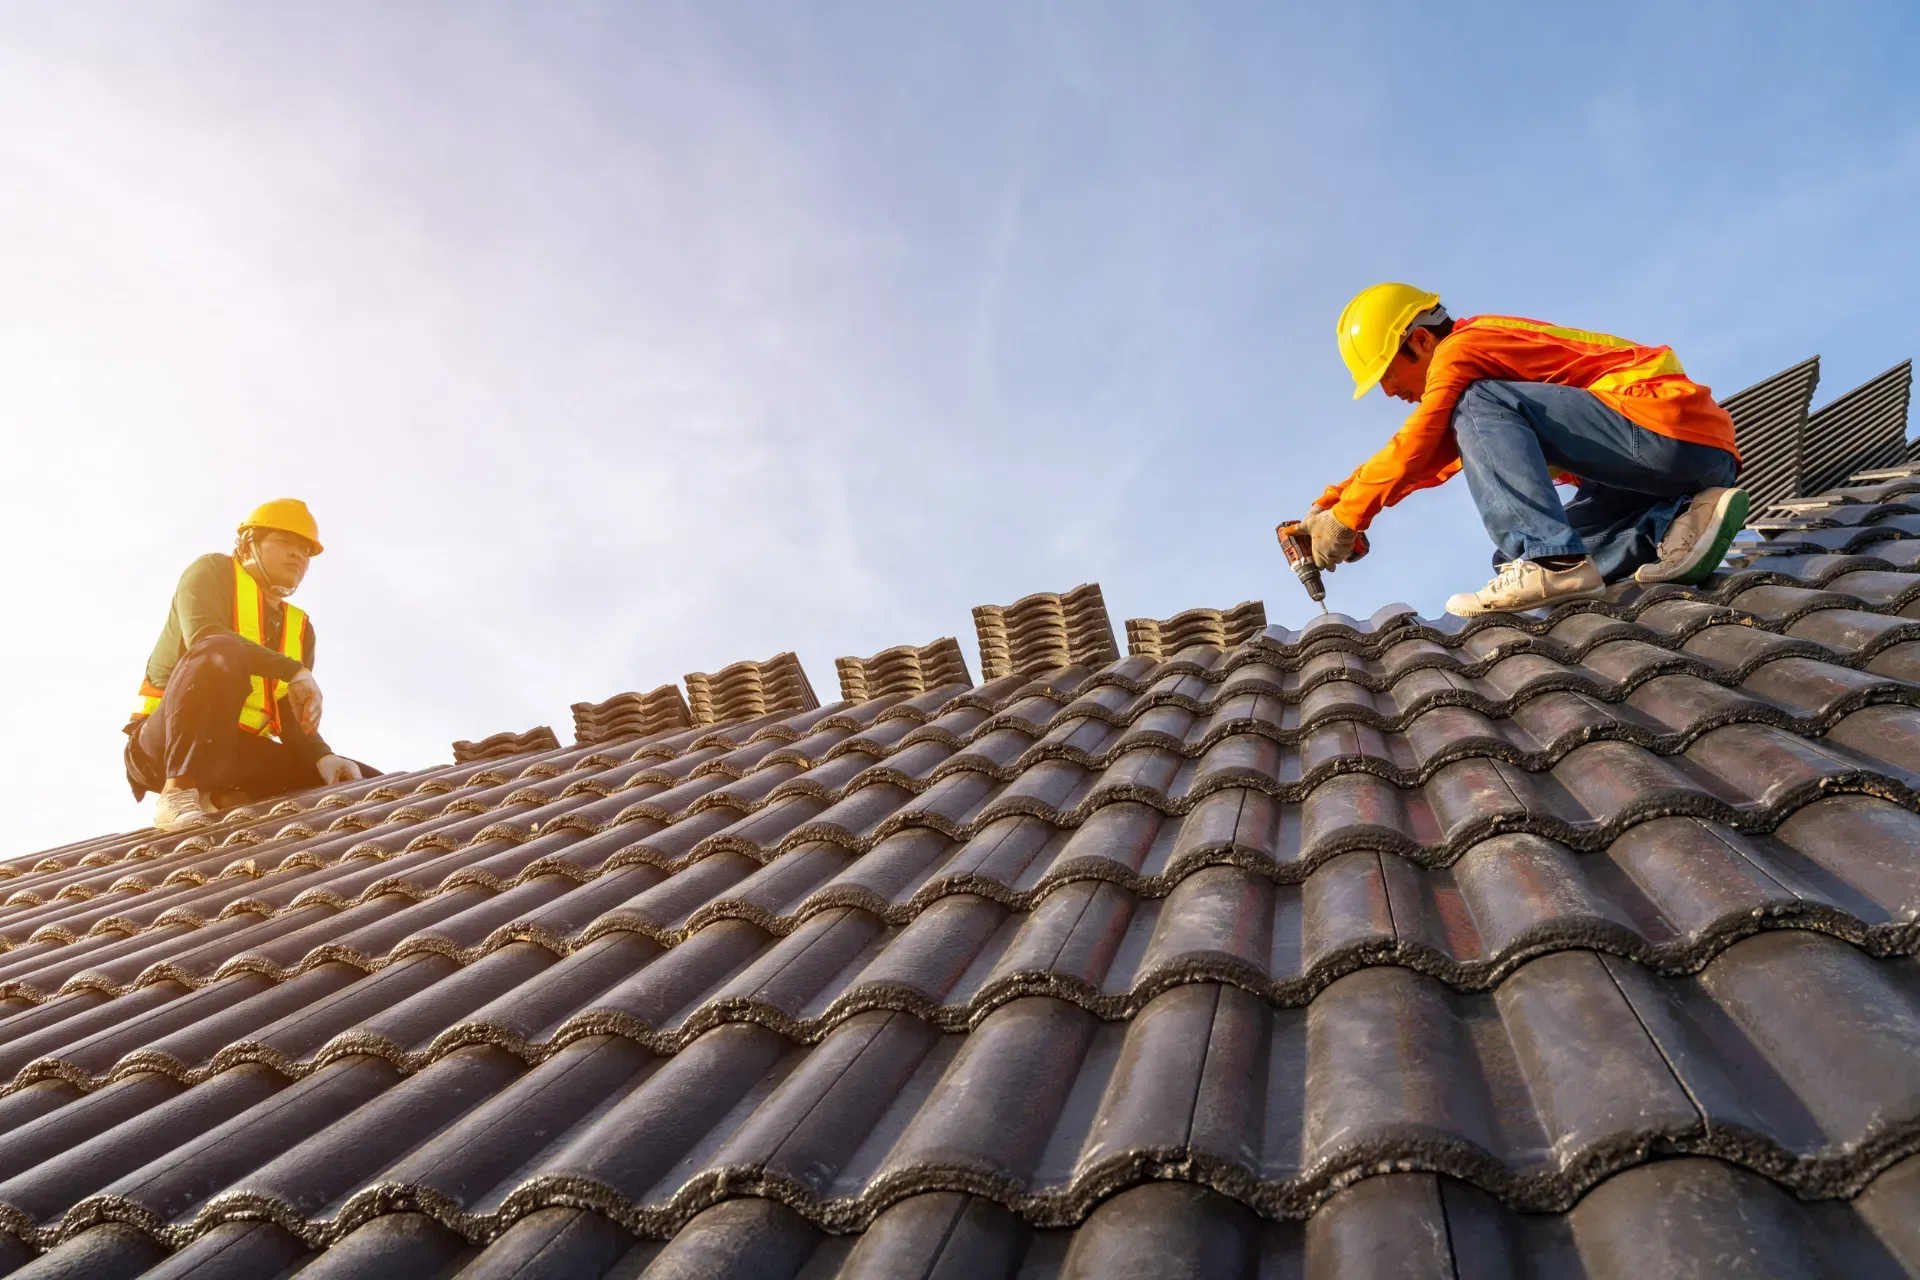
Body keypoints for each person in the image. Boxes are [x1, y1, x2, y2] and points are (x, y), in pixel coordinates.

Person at [1293, 283, 1749, 616]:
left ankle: (1549, 559)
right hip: (1681, 460)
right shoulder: (1482, 399)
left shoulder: (1462, 352)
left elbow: (1419, 442)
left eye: (1387, 375)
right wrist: (1332, 504)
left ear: (1420, 340)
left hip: (1664, 427)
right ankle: (1678, 521)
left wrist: (1348, 516)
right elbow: (1439, 455)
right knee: (1522, 564)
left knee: (1537, 545)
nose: (1390, 393)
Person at [126, 499, 365, 830]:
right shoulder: (211, 571)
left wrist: (322, 756)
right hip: (161, 749)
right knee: (220, 649)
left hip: (233, 756)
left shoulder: (299, 629)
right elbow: (205, 638)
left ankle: (222, 796)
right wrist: (293, 669)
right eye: (285, 542)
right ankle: (178, 793)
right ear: (248, 543)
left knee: (363, 785)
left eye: (305, 551)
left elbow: (288, 712)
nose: (298, 555)